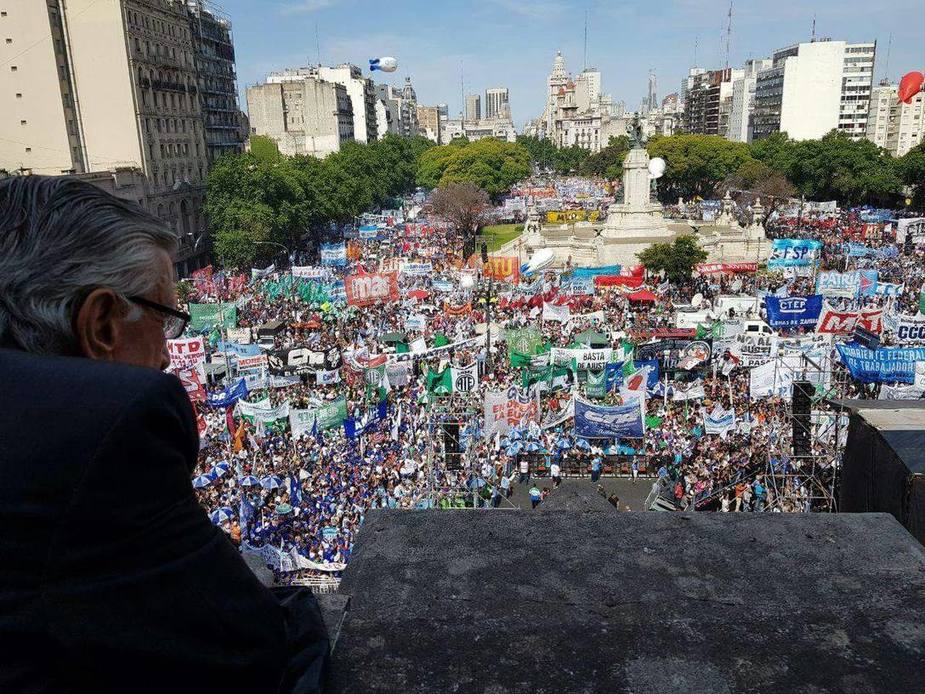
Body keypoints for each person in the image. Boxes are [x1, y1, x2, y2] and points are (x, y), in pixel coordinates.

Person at [0, 177, 328, 694]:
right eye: (167, 318)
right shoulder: (104, 427)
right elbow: (250, 645)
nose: (169, 352)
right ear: (102, 324)